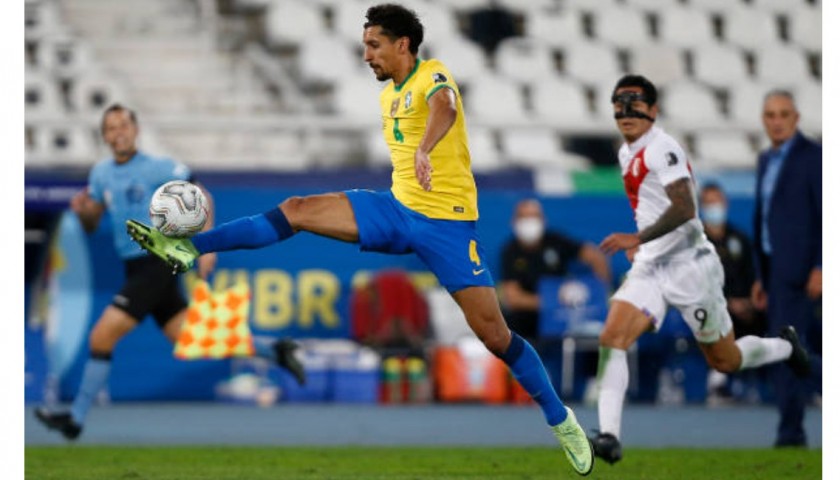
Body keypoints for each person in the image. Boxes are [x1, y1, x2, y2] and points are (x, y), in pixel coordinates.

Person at [126, 5, 594, 475]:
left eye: (374, 45)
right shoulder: (387, 95)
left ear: (402, 45)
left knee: (495, 336)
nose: (365, 54)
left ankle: (561, 419)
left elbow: (445, 108)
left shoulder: (433, 75)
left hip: (447, 226)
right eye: (365, 44)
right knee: (297, 210)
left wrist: (427, 150)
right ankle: (188, 248)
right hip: (394, 209)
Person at [34, 104, 306, 441]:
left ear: (135, 130)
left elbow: (202, 194)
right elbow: (91, 225)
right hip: (134, 266)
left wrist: (209, 245)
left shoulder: (157, 167)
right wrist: (85, 212)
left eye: (123, 125)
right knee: (188, 338)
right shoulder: (101, 174)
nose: (118, 132)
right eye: (111, 128)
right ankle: (274, 350)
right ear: (104, 136)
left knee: (101, 337)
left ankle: (75, 419)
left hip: (158, 260)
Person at [589, 75, 811, 465]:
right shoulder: (626, 153)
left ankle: (784, 347)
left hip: (693, 268)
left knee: (724, 359)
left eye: (635, 102)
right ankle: (608, 436)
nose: (626, 111)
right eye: (619, 103)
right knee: (612, 337)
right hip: (652, 266)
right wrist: (645, 246)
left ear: (653, 111)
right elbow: (653, 206)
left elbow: (685, 208)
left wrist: (638, 238)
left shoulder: (663, 148)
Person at [751, 90, 822, 447]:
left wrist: (822, 266)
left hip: (803, 271)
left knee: (792, 350)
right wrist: (761, 276)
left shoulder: (815, 158)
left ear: (796, 118)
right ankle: (789, 428)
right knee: (785, 350)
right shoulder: (766, 160)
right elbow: (763, 218)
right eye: (770, 115)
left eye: (783, 114)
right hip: (775, 271)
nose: (776, 121)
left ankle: (790, 431)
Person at [500, 198, 611, 342]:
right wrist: (553, 303)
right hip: (530, 319)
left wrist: (599, 294)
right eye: (524, 217)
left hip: (566, 318)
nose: (529, 222)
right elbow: (513, 298)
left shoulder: (556, 241)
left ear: (543, 220)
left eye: (534, 216)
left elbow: (595, 257)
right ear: (514, 221)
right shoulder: (510, 251)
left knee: (593, 327)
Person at [699, 182, 766, 403]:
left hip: (744, 307)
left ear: (725, 204)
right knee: (719, 317)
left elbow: (751, 276)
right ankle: (718, 380)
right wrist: (728, 302)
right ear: (700, 206)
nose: (714, 207)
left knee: (769, 316)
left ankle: (776, 383)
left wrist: (749, 301)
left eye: (717, 201)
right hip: (709, 306)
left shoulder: (739, 238)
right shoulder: (695, 241)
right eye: (708, 203)